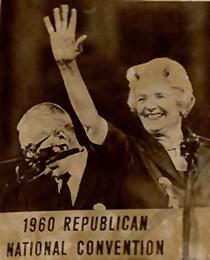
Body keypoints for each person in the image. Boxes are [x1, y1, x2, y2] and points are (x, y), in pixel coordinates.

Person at [43, 4, 210, 209]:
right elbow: (91, 123)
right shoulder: (131, 152)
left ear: (184, 102)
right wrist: (67, 66)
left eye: (159, 96)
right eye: (141, 99)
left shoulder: (206, 154)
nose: (149, 106)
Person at [1, 102, 121, 211]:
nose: (30, 158)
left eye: (32, 149)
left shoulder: (115, 177)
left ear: (62, 139)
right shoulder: (26, 194)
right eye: (25, 151)